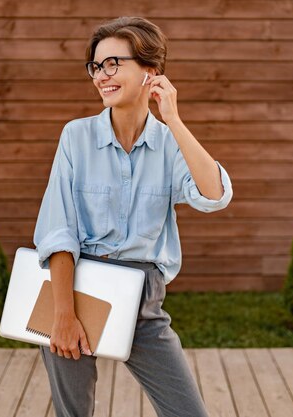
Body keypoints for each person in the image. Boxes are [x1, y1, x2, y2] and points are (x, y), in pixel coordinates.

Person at [33, 16, 233, 417]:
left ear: (150, 72)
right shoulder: (76, 136)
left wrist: (173, 119)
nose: (101, 75)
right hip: (74, 290)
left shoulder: (169, 143)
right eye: (96, 65)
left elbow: (214, 196)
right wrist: (63, 315)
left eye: (114, 64)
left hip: (142, 299)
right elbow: (59, 230)